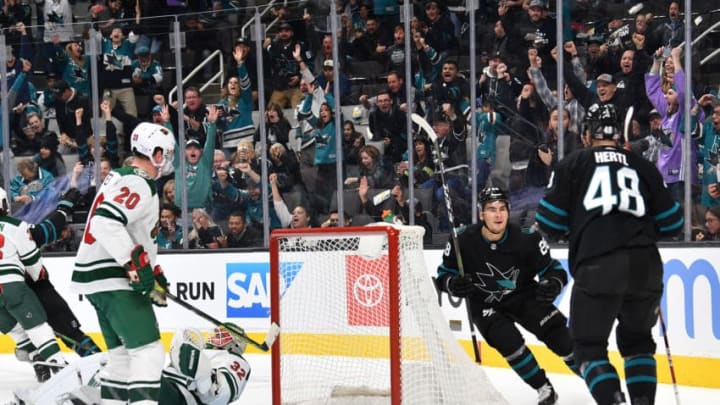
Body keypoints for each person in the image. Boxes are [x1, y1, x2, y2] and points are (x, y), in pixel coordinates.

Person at [535, 103, 684, 405]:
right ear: (619, 134)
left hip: (598, 262)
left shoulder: (574, 164)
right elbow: (674, 223)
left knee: (588, 348)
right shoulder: (642, 165)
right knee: (638, 343)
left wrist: (576, 224)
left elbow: (548, 222)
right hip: (645, 265)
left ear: (587, 135)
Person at [435, 187, 579, 405]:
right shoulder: (461, 240)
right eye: (492, 209)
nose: (498, 214)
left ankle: (598, 383)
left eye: (502, 209)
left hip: (523, 295)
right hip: (483, 303)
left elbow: (554, 270)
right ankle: (544, 388)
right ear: (481, 214)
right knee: (508, 342)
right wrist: (453, 284)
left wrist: (553, 284)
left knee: (562, 341)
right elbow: (444, 275)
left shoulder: (527, 238)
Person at [71, 122, 176, 404]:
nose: (168, 158)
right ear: (154, 153)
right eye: (166, 152)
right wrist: (136, 267)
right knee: (148, 352)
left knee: (121, 358)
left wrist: (151, 270)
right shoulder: (139, 182)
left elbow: (132, 232)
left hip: (98, 278)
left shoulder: (120, 176)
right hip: (114, 278)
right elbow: (106, 223)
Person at [0, 187, 69, 382]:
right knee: (37, 327)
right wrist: (37, 275)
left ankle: (36, 358)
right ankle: (59, 365)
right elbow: (32, 260)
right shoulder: (15, 226)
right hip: (12, 286)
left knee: (15, 329)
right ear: (4, 204)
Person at [158, 327, 251, 404]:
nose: (214, 337)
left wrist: (202, 372)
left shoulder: (233, 359)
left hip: (181, 396)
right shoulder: (201, 353)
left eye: (220, 336)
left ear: (234, 344)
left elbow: (221, 392)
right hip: (166, 386)